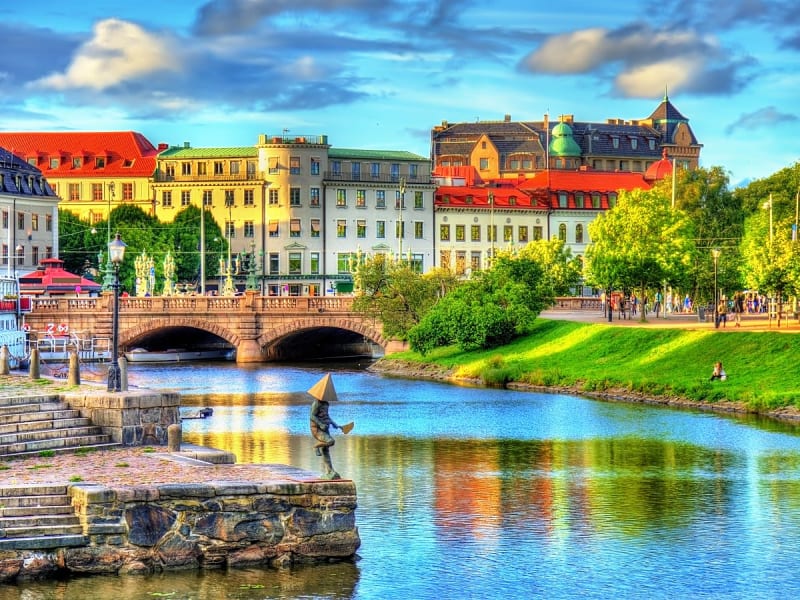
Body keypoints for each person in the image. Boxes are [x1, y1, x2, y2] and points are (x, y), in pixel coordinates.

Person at [308, 373, 343, 480]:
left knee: (325, 451)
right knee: (331, 441)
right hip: (317, 429)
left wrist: (334, 423)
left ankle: (330, 471)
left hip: (325, 428)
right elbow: (312, 416)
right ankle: (315, 446)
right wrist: (320, 424)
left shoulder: (326, 404)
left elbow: (327, 416)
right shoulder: (316, 403)